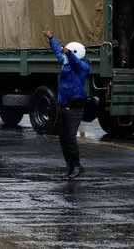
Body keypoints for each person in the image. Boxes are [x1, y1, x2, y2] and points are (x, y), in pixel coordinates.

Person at [42, 27, 90, 180]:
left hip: (75, 107)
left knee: (70, 137)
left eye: (68, 52)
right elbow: (58, 51)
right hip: (63, 106)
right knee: (63, 138)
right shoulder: (66, 62)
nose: (65, 54)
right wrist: (51, 38)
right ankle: (69, 166)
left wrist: (69, 54)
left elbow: (75, 61)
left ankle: (77, 166)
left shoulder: (82, 67)